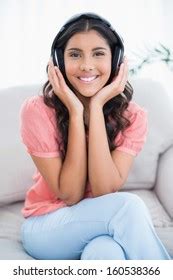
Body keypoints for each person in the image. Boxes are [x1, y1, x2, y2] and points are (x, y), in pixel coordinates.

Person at [20, 13, 171, 260]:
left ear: (116, 61)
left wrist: (98, 106)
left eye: (99, 53)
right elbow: (70, 194)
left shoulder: (133, 116)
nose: (87, 65)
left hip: (100, 225)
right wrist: (76, 112)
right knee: (129, 206)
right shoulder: (37, 110)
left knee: (105, 253)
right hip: (47, 225)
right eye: (75, 54)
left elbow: (103, 190)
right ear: (58, 60)